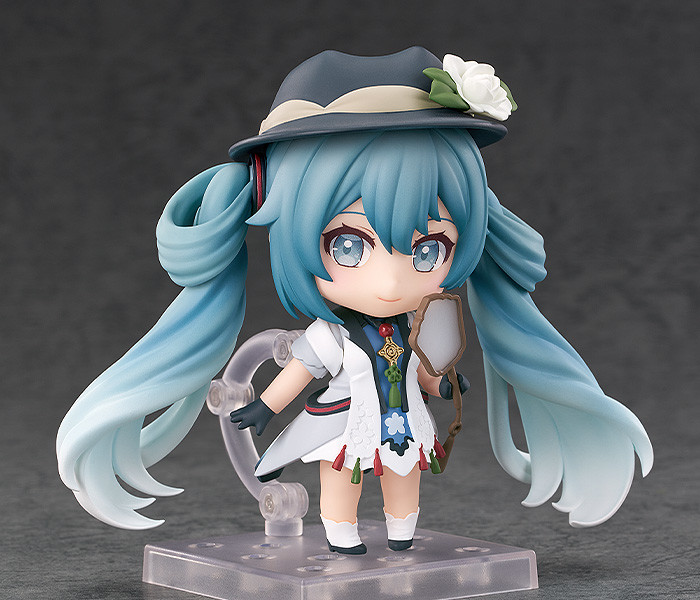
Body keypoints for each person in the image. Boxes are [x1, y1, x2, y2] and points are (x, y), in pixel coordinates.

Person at [57, 47, 653, 554]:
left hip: (403, 423)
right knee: (340, 477)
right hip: (343, 422)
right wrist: (264, 407)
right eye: (349, 246)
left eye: (427, 250)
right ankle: (341, 536)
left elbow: (423, 371)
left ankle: (401, 534)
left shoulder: (420, 325)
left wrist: (443, 383)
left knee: (403, 476)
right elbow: (300, 372)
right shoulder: (331, 336)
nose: (391, 282)